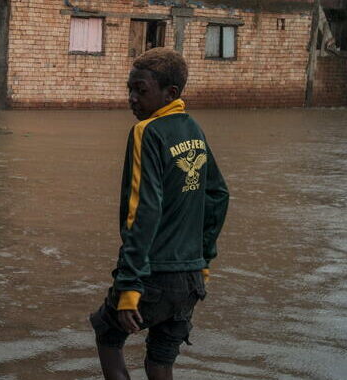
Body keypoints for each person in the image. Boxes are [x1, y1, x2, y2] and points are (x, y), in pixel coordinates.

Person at [89, 48, 229, 380]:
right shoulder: (192, 128)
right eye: (130, 89)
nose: (132, 98)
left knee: (107, 333)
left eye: (141, 90)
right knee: (160, 361)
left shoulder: (146, 132)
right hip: (190, 278)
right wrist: (204, 261)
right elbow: (218, 196)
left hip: (154, 275)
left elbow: (142, 210)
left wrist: (129, 284)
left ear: (170, 93)